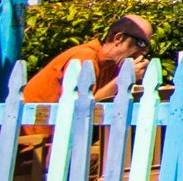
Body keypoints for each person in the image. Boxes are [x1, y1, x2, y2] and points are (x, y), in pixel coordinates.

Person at [18, 12, 153, 152]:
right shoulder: (84, 57)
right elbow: (81, 108)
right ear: (118, 38)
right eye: (140, 43)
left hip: (62, 140)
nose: (144, 51)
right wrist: (122, 80)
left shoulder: (110, 67)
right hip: (34, 146)